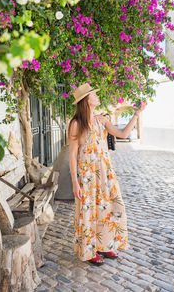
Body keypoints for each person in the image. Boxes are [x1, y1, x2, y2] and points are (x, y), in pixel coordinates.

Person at [68, 83, 147, 265]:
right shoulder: (76, 124)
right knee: (89, 211)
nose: (97, 96)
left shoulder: (101, 120)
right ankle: (90, 249)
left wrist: (137, 113)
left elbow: (123, 133)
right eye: (94, 95)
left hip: (105, 174)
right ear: (86, 101)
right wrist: (74, 181)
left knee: (109, 208)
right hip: (87, 176)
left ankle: (104, 244)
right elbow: (72, 154)